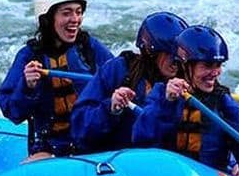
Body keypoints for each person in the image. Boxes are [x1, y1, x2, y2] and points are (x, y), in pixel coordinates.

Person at [132, 25, 239, 176]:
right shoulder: (162, 93)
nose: (215, 72)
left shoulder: (223, 103)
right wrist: (168, 102)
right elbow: (141, 139)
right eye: (207, 65)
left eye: (218, 65)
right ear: (184, 65)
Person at [0, 0, 113, 158]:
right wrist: (27, 86)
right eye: (66, 13)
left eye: (78, 12)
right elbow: (12, 112)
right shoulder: (29, 56)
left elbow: (121, 78)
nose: (75, 19)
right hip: (51, 150)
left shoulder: (90, 49)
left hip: (93, 144)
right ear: (48, 19)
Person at [71, 11, 188, 153]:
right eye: (170, 54)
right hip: (113, 161)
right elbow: (79, 129)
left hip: (160, 163)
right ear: (151, 52)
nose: (176, 61)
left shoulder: (187, 82)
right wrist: (111, 109)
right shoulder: (118, 70)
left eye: (180, 55)